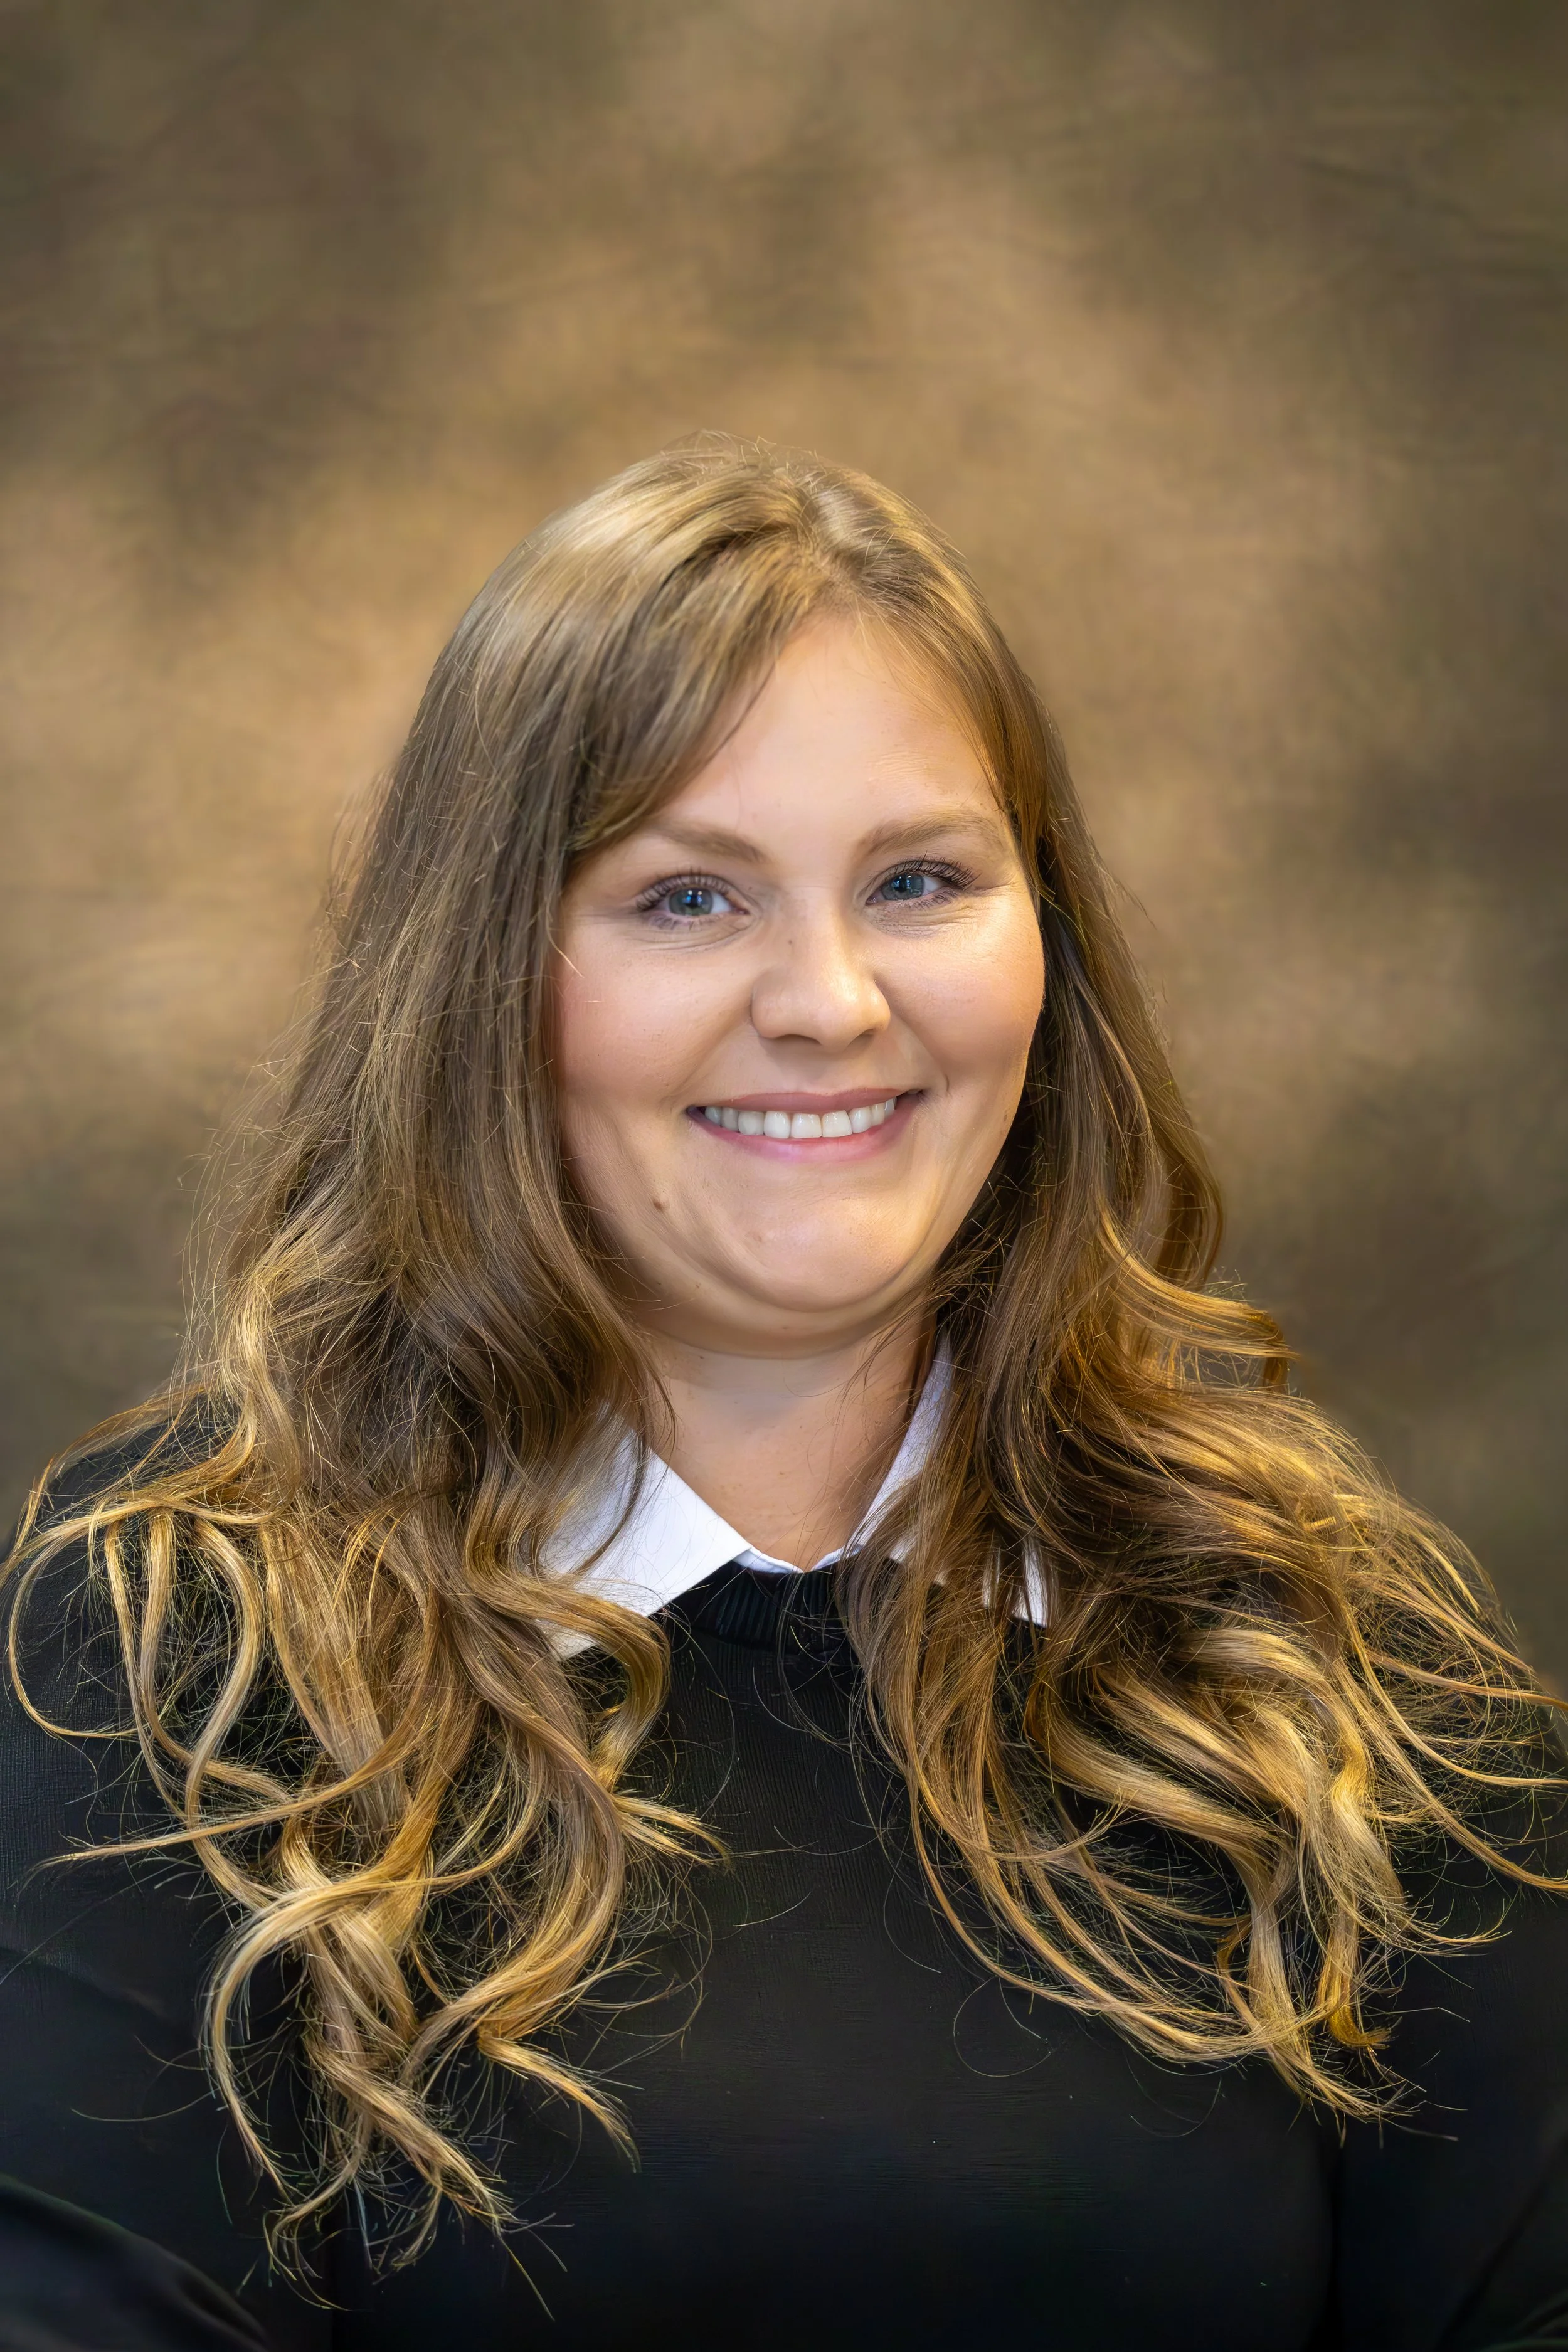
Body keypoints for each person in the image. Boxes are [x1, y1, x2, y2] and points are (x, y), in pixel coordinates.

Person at [2, 440, 1565, 2352]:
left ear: (1043, 947)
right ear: (487, 973)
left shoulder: (1322, 1653)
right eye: (687, 899)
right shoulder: (181, 1651)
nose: (828, 998)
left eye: (918, 880)